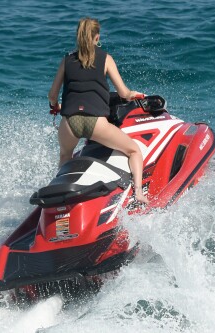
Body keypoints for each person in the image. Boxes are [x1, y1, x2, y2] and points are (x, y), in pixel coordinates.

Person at [48, 17, 149, 204]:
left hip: (69, 122)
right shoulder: (106, 59)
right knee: (134, 150)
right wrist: (135, 94)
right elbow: (123, 93)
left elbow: (52, 95)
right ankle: (139, 193)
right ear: (97, 38)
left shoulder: (66, 60)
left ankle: (59, 198)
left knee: (65, 156)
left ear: (78, 37)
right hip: (96, 122)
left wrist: (55, 107)